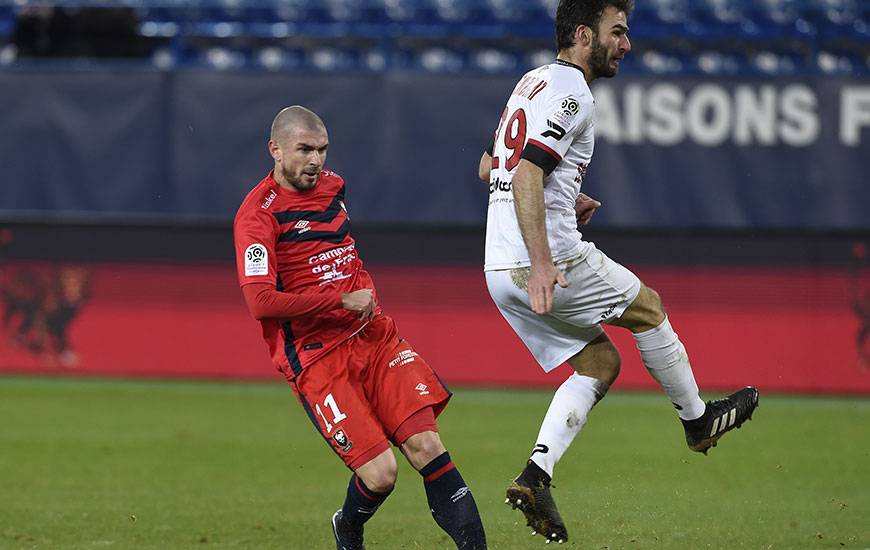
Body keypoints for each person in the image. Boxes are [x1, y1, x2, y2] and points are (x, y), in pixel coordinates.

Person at [478, 0, 759, 543]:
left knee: (601, 361)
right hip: (545, 261)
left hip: (497, 267)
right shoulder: (572, 92)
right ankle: (698, 422)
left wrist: (567, 194)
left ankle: (536, 475)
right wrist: (541, 259)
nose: (626, 44)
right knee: (649, 308)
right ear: (584, 34)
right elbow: (530, 173)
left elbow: (493, 165)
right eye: (619, 31)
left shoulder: (530, 82)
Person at [234, 106, 487, 550]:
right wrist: (339, 299)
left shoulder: (333, 186)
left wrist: (357, 288)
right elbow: (260, 303)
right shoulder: (257, 216)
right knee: (381, 474)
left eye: (322, 149)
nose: (316, 160)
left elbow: (338, 250)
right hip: (317, 357)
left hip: (375, 339)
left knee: (427, 447)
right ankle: (348, 525)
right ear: (274, 149)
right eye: (304, 150)